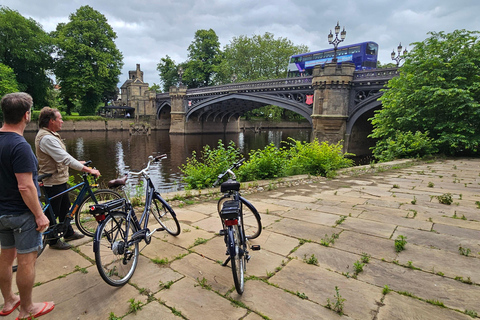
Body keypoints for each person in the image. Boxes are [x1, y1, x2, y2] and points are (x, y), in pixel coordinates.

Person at [0, 92, 55, 319]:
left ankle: (8, 301)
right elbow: (26, 187)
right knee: (26, 261)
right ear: (26, 115)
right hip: (21, 214)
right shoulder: (20, 146)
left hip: (1, 213)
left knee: (5, 258)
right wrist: (39, 215)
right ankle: (27, 308)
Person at [35, 107, 100, 250]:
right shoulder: (46, 138)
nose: (62, 121)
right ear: (52, 121)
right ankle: (52, 241)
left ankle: (68, 232)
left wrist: (79, 162)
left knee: (65, 208)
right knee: (53, 212)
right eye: (60, 119)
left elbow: (62, 157)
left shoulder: (51, 135)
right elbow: (64, 158)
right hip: (52, 181)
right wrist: (88, 169)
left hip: (59, 179)